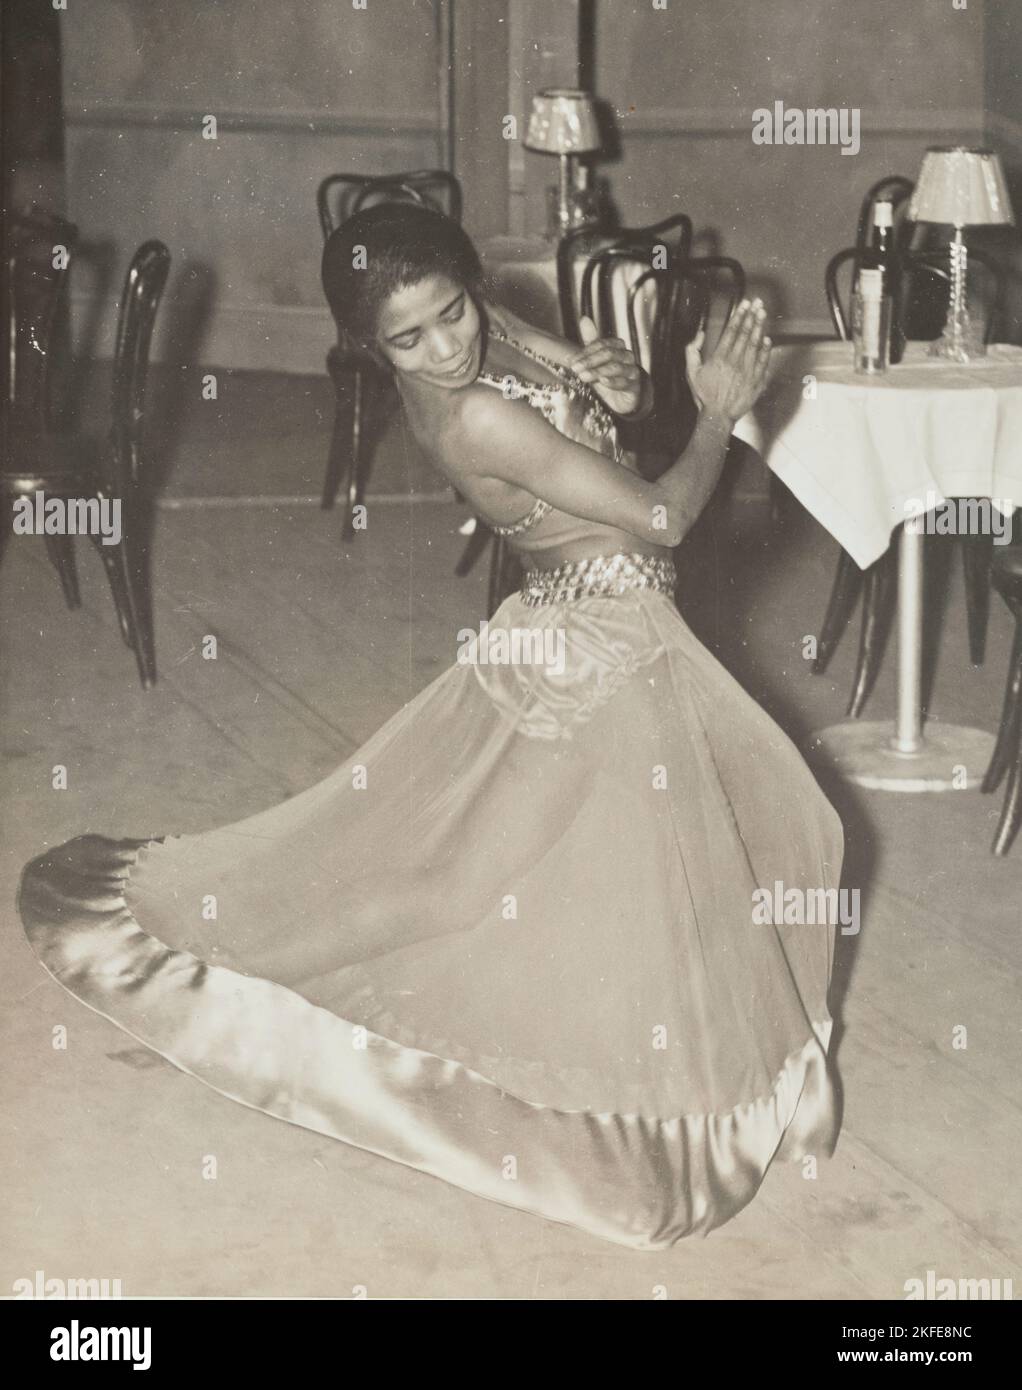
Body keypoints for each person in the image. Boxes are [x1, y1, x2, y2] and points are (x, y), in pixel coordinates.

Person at [19, 202, 844, 1252]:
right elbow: (663, 516)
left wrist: (616, 387)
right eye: (408, 339)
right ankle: (217, 994)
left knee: (492, 878)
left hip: (583, 631)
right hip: (602, 649)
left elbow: (582, 408)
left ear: (468, 288)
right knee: (707, 855)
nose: (446, 346)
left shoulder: (488, 335)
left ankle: (228, 985)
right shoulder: (466, 416)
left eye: (452, 313)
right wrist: (717, 413)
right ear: (371, 347)